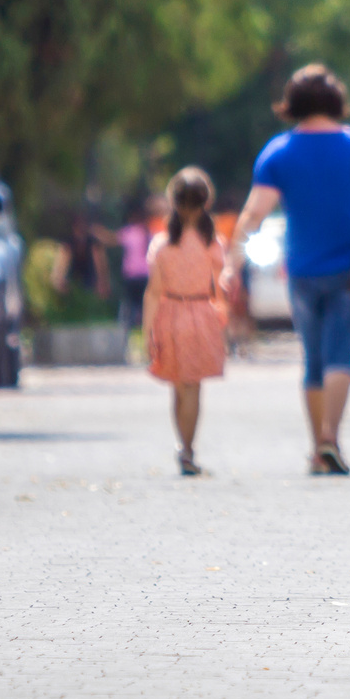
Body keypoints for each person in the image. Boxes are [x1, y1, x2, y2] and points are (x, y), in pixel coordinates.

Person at [224, 64, 350, 476]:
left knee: (314, 358)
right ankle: (330, 440)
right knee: (341, 354)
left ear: (294, 104)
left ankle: (317, 448)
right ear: (337, 100)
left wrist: (233, 263)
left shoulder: (278, 152)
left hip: (301, 271)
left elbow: (253, 214)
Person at [145, 168, 227, 477]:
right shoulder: (212, 243)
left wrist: (147, 331)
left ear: (172, 201)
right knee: (193, 387)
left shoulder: (162, 244)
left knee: (178, 387)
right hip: (201, 313)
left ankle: (183, 446)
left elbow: (152, 293)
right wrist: (226, 321)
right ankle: (188, 450)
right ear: (206, 201)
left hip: (170, 313)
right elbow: (221, 286)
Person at [114, 195, 165, 338]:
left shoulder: (130, 231)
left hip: (131, 276)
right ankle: (149, 333)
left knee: (129, 308)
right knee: (147, 306)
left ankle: (127, 336)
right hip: (146, 274)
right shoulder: (152, 232)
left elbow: (113, 239)